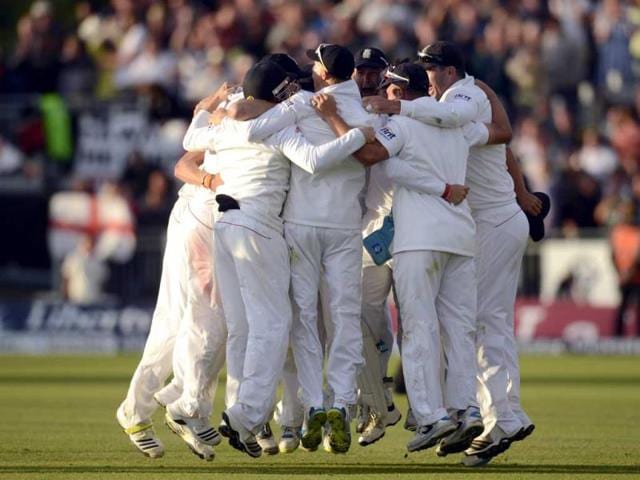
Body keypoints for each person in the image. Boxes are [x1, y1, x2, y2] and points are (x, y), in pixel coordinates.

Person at [310, 60, 511, 454]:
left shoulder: (398, 124)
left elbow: (368, 156)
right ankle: (466, 410)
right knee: (457, 330)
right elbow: (501, 133)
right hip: (461, 236)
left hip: (419, 238)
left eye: (388, 90)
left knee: (418, 329)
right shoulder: (457, 124)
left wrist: (335, 119)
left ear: (399, 93)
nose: (383, 96)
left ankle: (431, 415)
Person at [182, 59, 374, 458]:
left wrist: (213, 106)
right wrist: (357, 136)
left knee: (243, 328)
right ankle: (245, 415)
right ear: (282, 90)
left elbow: (191, 139)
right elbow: (316, 161)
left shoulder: (228, 124)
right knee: (274, 324)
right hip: (258, 226)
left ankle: (245, 414)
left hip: (225, 227)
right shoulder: (282, 124)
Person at [364, 41, 538, 464]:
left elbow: (466, 123)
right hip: (479, 222)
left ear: (451, 71)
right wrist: (524, 194)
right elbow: (503, 139)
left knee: (474, 324)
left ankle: (494, 416)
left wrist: (389, 112)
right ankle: (487, 413)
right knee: (471, 325)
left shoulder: (461, 97)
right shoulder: (445, 107)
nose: (431, 74)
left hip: (485, 222)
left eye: (434, 66)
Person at [116, 85, 233, 461]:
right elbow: (183, 165)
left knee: (208, 322)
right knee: (196, 320)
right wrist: (211, 183)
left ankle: (181, 403)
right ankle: (175, 406)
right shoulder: (237, 114)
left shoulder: (274, 115)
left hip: (221, 226)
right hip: (199, 221)